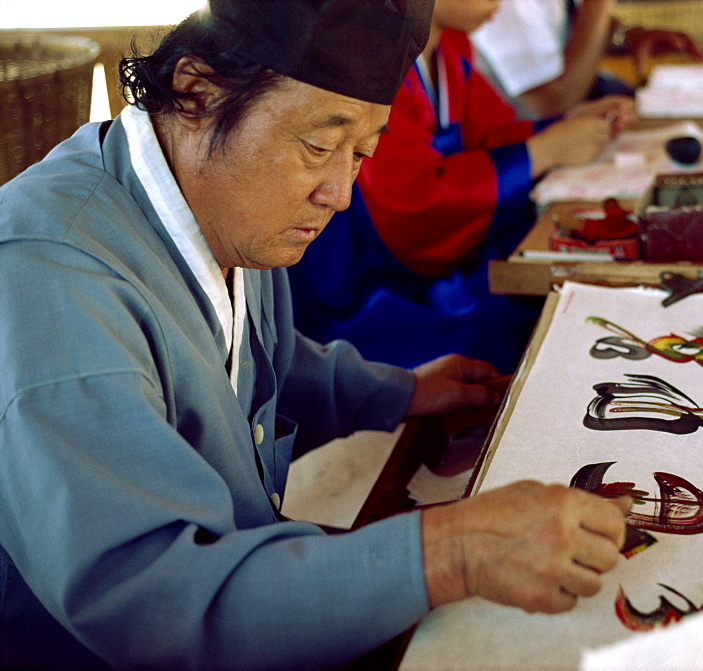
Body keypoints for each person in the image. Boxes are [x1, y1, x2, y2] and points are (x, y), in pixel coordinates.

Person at [0, 1, 631, 668]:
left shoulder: (222, 207)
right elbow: (153, 601)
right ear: (196, 93)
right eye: (319, 147)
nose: (340, 193)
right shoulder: (53, 276)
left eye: (361, 153)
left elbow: (248, 359)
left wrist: (399, 391)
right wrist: (452, 551)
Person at [288, 0, 634, 374]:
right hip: (372, 286)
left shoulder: (450, 46)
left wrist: (562, 129)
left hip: (437, 258)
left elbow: (489, 135)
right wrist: (543, 151)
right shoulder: (371, 59)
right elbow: (411, 206)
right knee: (524, 325)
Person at [473, 0, 703, 119]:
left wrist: (625, 36)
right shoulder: (501, 6)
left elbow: (565, 31)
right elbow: (552, 105)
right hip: (532, 151)